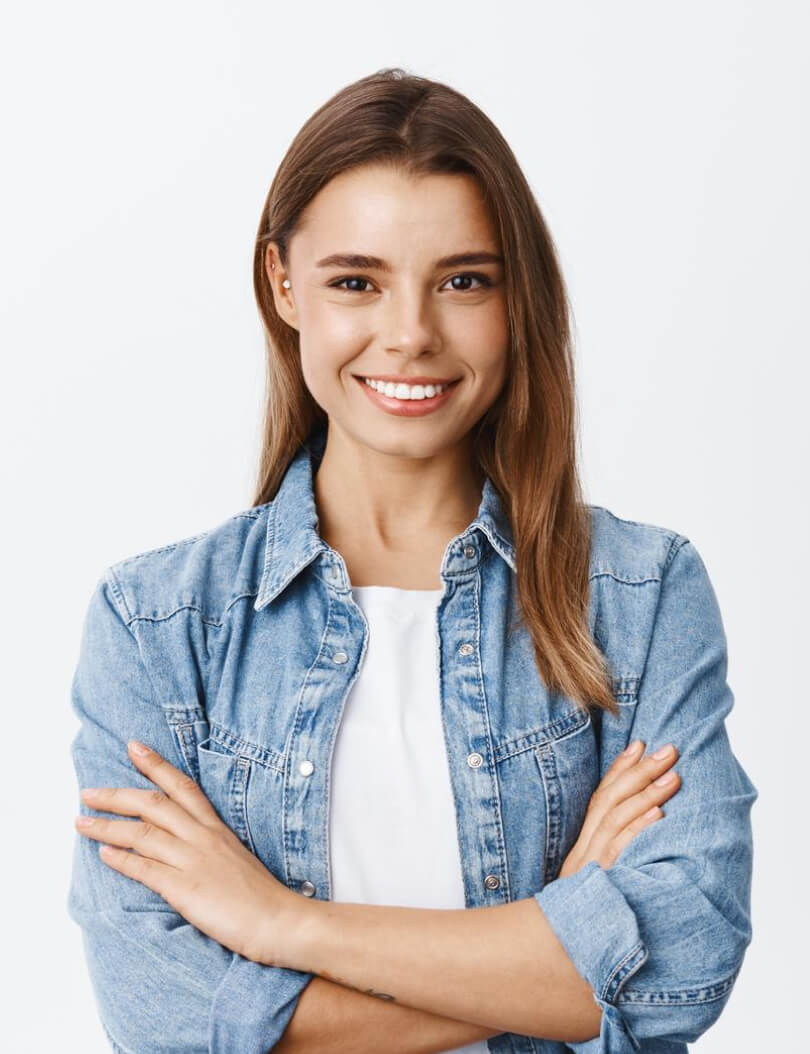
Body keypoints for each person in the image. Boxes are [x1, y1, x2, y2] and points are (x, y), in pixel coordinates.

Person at [67, 68, 757, 1054]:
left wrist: (280, 923)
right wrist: (558, 943)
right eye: (357, 281)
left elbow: (683, 965)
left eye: (464, 280)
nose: (411, 335)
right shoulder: (158, 623)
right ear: (283, 284)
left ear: (517, 295)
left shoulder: (639, 596)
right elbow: (165, 1018)